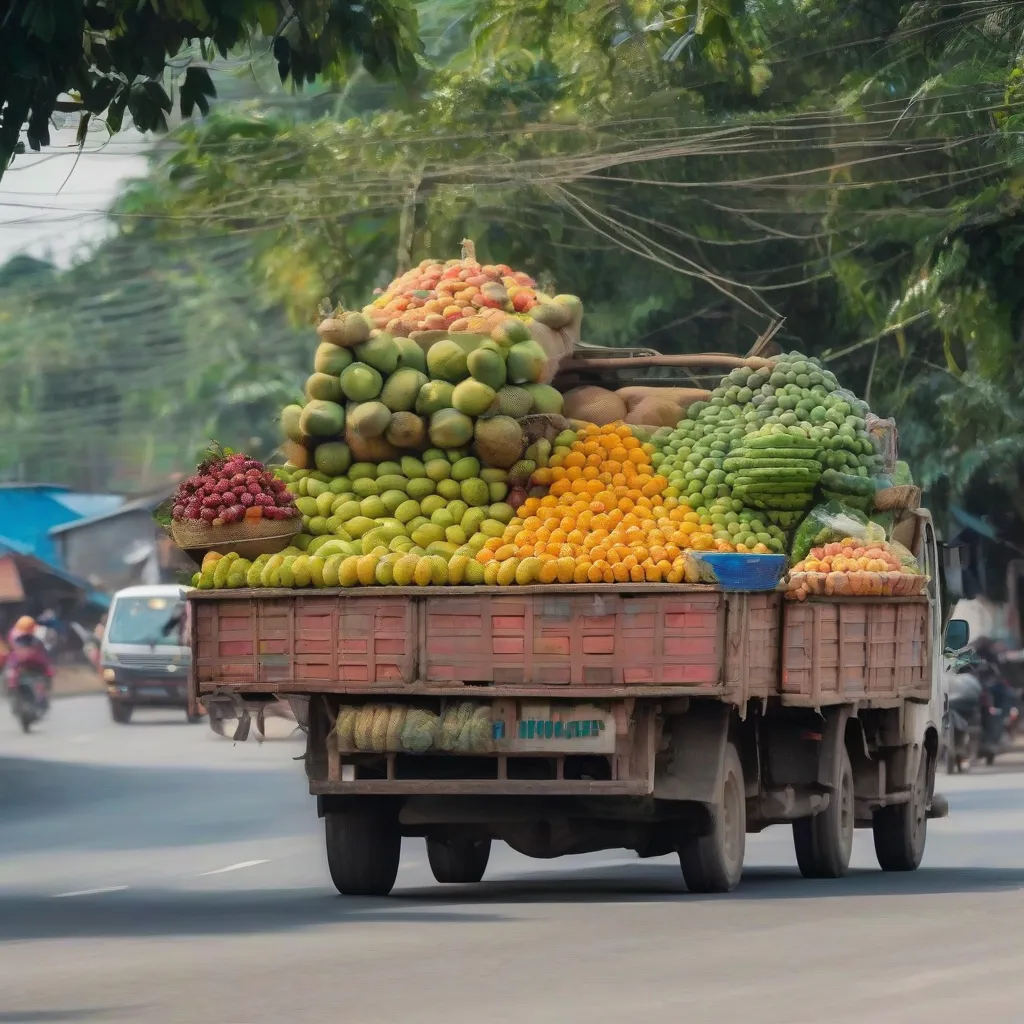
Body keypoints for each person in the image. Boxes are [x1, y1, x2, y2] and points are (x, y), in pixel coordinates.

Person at [4, 616, 54, 690]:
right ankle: (49, 673)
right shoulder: (34, 635)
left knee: (12, 666)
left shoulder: (13, 633)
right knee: (46, 663)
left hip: (21, 657)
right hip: (33, 656)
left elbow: (11, 645)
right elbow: (40, 645)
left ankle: (12, 682)